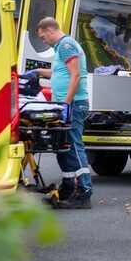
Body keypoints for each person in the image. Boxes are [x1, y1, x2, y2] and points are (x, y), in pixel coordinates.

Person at [27, 17, 93, 208]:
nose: (43, 40)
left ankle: (84, 192)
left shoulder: (66, 45)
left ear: (50, 29)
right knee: (63, 147)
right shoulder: (61, 49)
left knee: (74, 145)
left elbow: (76, 74)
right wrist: (37, 72)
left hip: (73, 105)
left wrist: (65, 104)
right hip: (66, 105)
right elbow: (58, 74)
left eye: (43, 36)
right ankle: (68, 186)